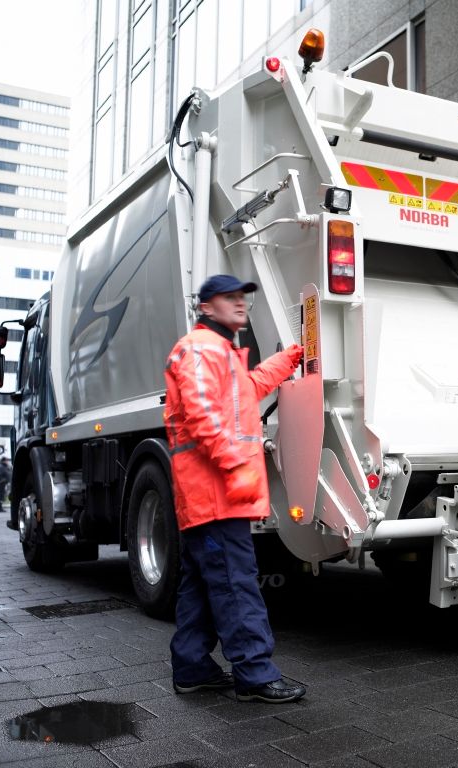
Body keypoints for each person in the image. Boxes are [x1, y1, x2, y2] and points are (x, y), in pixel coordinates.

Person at [164, 274, 306, 704]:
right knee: (235, 584)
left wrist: (289, 360)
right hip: (217, 493)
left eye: (243, 297)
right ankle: (255, 674)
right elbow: (204, 416)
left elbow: (249, 390)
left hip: (210, 495)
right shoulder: (200, 349)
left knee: (205, 585)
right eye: (230, 298)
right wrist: (233, 469)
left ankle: (192, 668)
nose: (241, 303)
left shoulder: (219, 351)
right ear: (206, 307)